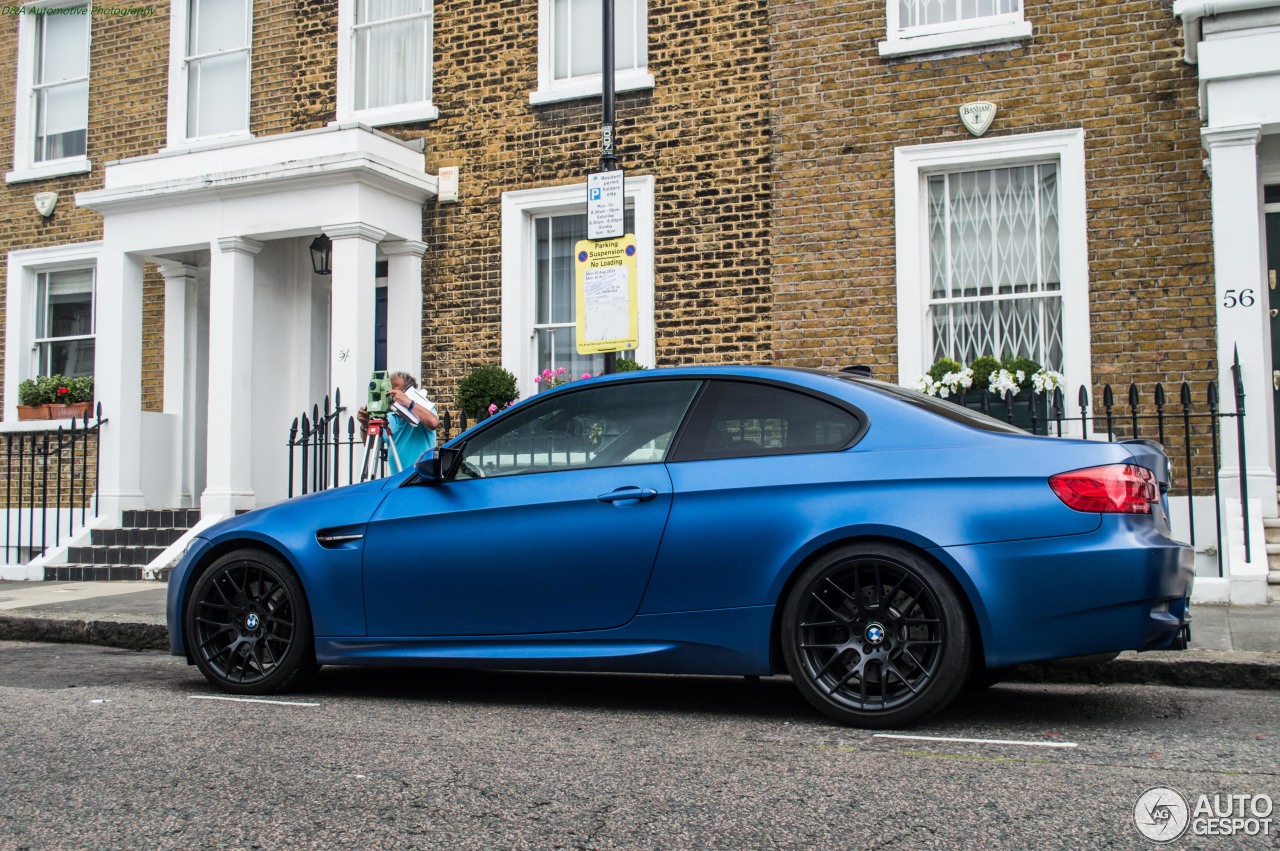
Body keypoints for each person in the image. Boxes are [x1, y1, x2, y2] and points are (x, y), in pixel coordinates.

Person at [357, 371, 439, 474]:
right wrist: (365, 425)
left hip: (421, 478)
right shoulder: (388, 417)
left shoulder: (424, 409)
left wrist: (407, 402)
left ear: (409, 391)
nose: (390, 393)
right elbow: (371, 445)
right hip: (397, 480)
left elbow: (433, 423)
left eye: (395, 389)